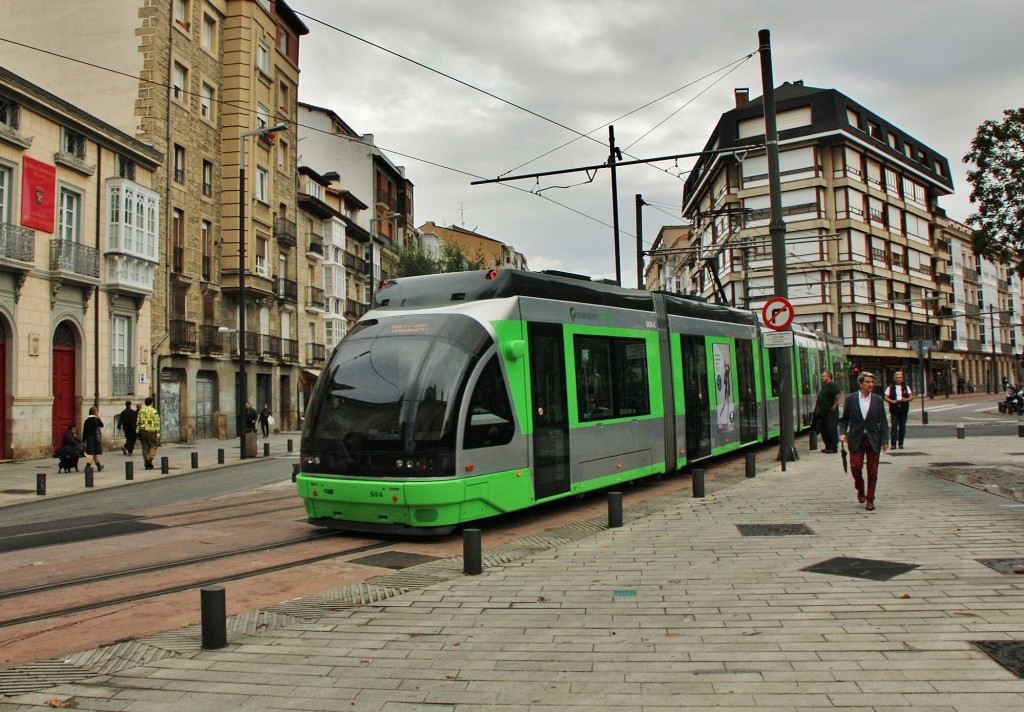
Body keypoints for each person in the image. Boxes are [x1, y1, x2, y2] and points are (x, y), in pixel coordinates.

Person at [839, 371, 890, 511]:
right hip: (856, 438)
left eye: (872, 382)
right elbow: (844, 420)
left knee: (873, 472)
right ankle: (860, 487)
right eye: (867, 382)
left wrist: (885, 440)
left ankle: (870, 499)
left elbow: (883, 422)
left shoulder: (878, 400)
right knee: (855, 467)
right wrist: (842, 433)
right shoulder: (851, 399)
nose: (870, 384)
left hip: (873, 439)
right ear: (860, 384)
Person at [812, 371, 842, 453]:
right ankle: (827, 446)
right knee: (824, 429)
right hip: (823, 411)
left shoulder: (833, 385)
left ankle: (833, 447)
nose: (822, 378)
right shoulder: (825, 386)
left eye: (823, 376)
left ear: (828, 377)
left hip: (830, 411)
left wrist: (835, 405)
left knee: (830, 429)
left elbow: (838, 394)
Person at [883, 371, 913, 449]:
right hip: (894, 409)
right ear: (894, 378)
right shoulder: (890, 387)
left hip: (903, 409)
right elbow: (886, 397)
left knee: (902, 427)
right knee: (894, 427)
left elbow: (911, 397)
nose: (898, 379)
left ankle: (901, 443)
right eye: (897, 377)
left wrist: (906, 399)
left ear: (902, 378)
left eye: (900, 377)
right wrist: (892, 401)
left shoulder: (906, 387)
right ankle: (893, 443)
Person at [136, 396, 161, 470]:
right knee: (154, 446)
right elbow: (157, 423)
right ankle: (149, 459)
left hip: (143, 431)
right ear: (152, 403)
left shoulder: (141, 411)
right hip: (151, 431)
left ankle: (146, 461)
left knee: (145, 447)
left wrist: (137, 432)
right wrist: (158, 433)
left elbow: (138, 422)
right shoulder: (154, 411)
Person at [82, 406, 105, 471]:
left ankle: (99, 466)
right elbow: (102, 425)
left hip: (88, 439)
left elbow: (84, 431)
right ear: (95, 412)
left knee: (94, 453)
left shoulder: (86, 420)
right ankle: (87, 467)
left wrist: (83, 441)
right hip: (95, 438)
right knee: (91, 453)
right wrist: (98, 417)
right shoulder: (96, 419)